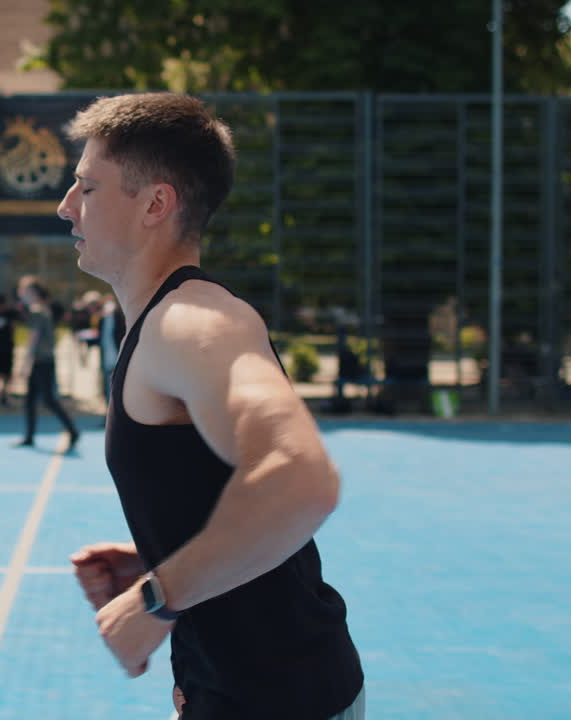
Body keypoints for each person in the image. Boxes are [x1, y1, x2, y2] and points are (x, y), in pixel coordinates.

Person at [57, 93, 363, 719]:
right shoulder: (167, 324)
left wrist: (159, 596)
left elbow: (303, 480)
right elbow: (228, 487)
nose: (65, 205)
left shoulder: (193, 322)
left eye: (86, 187)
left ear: (155, 204)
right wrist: (170, 550)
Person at [13, 281, 79, 451]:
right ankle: (29, 436)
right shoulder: (43, 309)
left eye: (25, 291)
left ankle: (72, 430)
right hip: (42, 361)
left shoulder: (36, 311)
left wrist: (24, 364)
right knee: (30, 400)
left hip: (42, 361)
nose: (21, 294)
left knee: (48, 399)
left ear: (34, 293)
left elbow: (33, 339)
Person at [96, 297, 126, 409]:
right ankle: (109, 412)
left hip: (117, 357)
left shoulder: (119, 318)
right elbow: (100, 339)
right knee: (107, 388)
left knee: (118, 387)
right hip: (106, 358)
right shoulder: (102, 320)